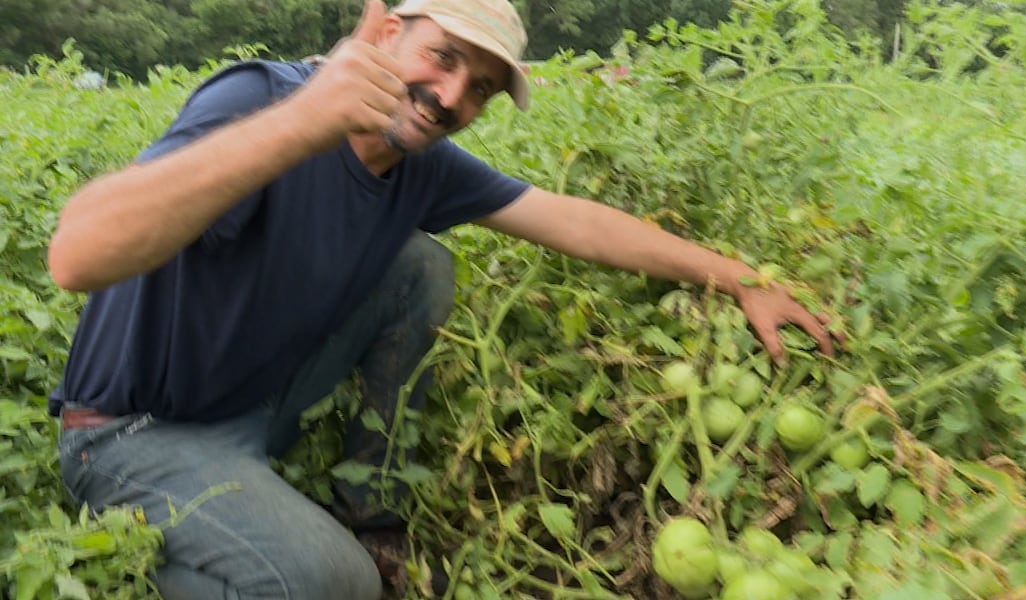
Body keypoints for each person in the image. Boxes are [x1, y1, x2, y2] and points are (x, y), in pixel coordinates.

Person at [45, 0, 841, 597]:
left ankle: (370, 501)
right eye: (444, 57)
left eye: (482, 87)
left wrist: (738, 277)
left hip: (254, 405)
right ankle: (177, 557)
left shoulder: (422, 165)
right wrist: (304, 123)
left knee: (419, 266)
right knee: (336, 584)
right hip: (132, 431)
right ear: (387, 33)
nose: (452, 95)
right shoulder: (259, 100)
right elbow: (78, 253)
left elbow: (571, 221)